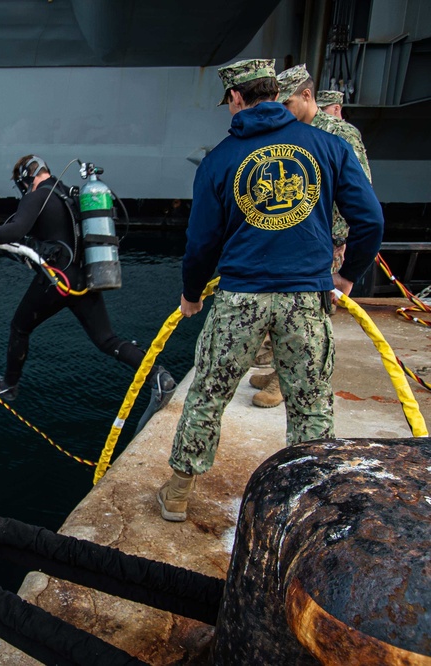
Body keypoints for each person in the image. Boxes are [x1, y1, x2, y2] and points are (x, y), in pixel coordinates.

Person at [157, 58, 383, 522]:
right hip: (306, 298)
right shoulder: (328, 146)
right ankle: (310, 502)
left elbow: (201, 243)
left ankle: (178, 492)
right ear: (276, 94)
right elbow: (371, 220)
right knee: (310, 404)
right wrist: (346, 275)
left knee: (209, 394)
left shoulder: (219, 159)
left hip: (240, 298)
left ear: (236, 98)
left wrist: (191, 293)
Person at [0, 155, 175, 407]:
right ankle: (159, 376)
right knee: (107, 340)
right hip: (85, 277)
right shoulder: (70, 194)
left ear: (26, 179)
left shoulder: (37, 196)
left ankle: (9, 385)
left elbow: (17, 229)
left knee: (20, 327)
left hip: (57, 280)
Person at [248, 64, 375, 408]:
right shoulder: (291, 132)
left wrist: (343, 243)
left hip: (327, 239)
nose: (282, 111)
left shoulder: (338, 134)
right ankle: (277, 369)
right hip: (294, 237)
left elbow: (360, 191)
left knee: (310, 315)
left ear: (307, 95)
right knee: (283, 306)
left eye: (287, 103)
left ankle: (285, 382)